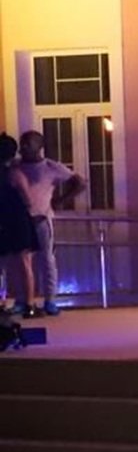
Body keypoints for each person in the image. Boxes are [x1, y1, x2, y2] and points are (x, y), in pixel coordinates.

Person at [12, 130, 83, 316]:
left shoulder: (51, 167)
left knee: (47, 260)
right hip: (20, 221)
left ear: (39, 146)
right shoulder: (16, 167)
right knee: (22, 263)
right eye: (22, 143)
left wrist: (60, 200)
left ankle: (50, 300)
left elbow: (80, 182)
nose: (24, 147)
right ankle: (23, 299)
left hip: (42, 219)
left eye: (28, 143)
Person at [0, 135, 39, 314]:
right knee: (25, 262)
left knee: (2, 264)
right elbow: (28, 199)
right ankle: (29, 304)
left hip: (3, 220)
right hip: (19, 220)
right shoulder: (15, 174)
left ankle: (1, 301)